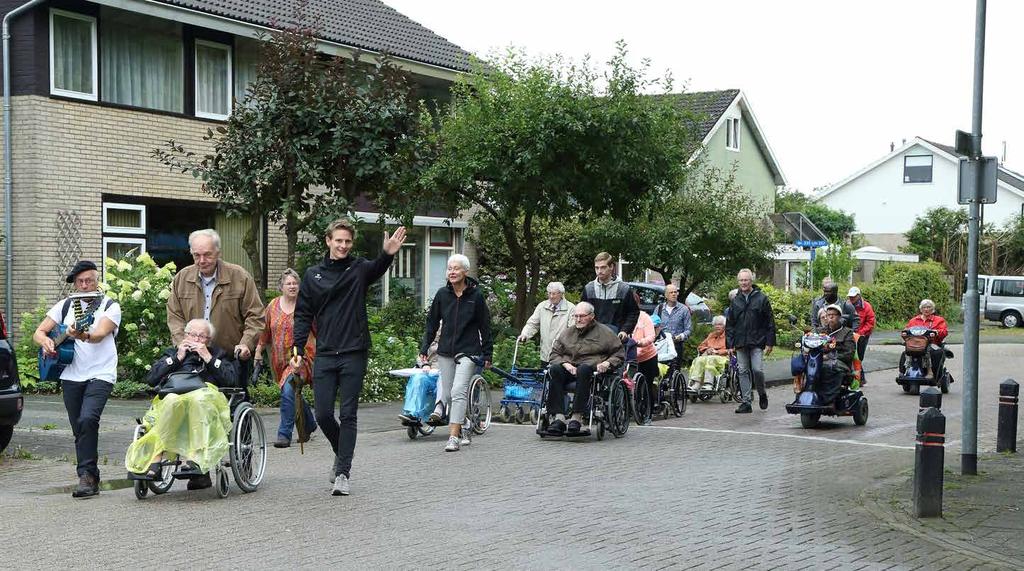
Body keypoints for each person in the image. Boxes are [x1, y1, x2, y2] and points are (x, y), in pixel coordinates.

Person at [290, 219, 407, 496]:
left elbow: (377, 267)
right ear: (328, 241)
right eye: (338, 240)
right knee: (322, 414)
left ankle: (343, 472)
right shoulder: (313, 276)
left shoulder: (358, 270)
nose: (343, 246)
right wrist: (296, 351)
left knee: (348, 413)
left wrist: (388, 254)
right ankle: (341, 451)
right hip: (326, 353)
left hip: (354, 352)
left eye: (348, 241)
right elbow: (303, 314)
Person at [33, 261, 121, 498]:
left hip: (100, 372)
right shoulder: (64, 305)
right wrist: (47, 342)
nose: (84, 285)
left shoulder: (109, 306)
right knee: (78, 427)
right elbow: (39, 332)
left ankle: (86, 476)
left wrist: (80, 334)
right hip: (70, 373)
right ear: (75, 283)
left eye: (89, 280)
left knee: (88, 419)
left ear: (96, 280)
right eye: (80, 281)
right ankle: (90, 475)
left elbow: (100, 334)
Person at [124, 319, 237, 490]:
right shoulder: (172, 353)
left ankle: (194, 458)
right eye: (193, 335)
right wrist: (177, 358)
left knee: (197, 400)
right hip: (174, 397)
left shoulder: (217, 354)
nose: (196, 340)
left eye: (202, 337)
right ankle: (155, 458)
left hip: (205, 398)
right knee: (171, 401)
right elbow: (151, 378)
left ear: (209, 340)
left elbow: (230, 379)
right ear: (185, 336)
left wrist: (207, 357)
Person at [166, 229, 265, 379]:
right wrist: (182, 343)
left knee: (233, 401)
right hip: (192, 359)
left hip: (230, 360)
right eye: (196, 255)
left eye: (207, 255)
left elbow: (256, 316)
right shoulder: (182, 278)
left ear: (218, 253)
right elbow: (174, 316)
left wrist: (246, 344)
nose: (202, 260)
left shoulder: (240, 277)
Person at [421, 254, 493, 453]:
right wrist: (424, 348)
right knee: (448, 394)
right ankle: (466, 422)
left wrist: (487, 353)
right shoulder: (442, 295)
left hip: (468, 351)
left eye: (456, 268)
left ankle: (453, 437)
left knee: (458, 390)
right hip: (445, 351)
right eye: (449, 268)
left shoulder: (476, 296)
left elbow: (485, 326)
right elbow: (431, 323)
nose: (451, 272)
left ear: (465, 272)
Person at [255, 269, 317, 449]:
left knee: (289, 388)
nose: (292, 286)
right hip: (279, 360)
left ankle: (284, 434)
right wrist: (258, 350)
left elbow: (319, 329)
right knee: (292, 390)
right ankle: (310, 423)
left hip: (302, 357)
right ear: (281, 286)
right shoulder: (272, 306)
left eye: (295, 283)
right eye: (288, 283)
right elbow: (265, 331)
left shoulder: (305, 306)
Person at [546, 302, 625, 436]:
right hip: (570, 367)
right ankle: (558, 418)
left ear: (592, 316)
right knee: (555, 369)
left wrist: (607, 363)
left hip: (592, 371)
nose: (578, 319)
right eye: (575, 316)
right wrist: (565, 364)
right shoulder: (568, 333)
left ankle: (577, 417)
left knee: (584, 369)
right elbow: (554, 354)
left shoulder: (605, 332)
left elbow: (619, 353)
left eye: (582, 316)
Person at [725, 269, 776, 414]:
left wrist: (770, 342)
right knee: (742, 371)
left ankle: (761, 393)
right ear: (738, 282)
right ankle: (746, 402)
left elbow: (770, 322)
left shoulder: (762, 298)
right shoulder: (735, 300)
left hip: (757, 341)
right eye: (741, 280)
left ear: (751, 281)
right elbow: (730, 324)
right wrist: (729, 344)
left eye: (746, 280)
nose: (743, 283)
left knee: (757, 370)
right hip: (741, 342)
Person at [582, 252, 639, 340]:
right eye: (597, 268)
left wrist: (625, 330)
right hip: (593, 339)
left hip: (617, 338)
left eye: (603, 267)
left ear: (611, 267)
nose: (599, 271)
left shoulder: (623, 289)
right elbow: (582, 313)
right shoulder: (589, 289)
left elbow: (633, 312)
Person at [518, 281, 575, 367]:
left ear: (561, 294)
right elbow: (533, 324)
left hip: (562, 356)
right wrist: (525, 334)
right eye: (549, 293)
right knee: (544, 377)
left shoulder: (571, 308)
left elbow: (572, 331)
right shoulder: (542, 306)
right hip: (545, 354)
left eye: (554, 294)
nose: (551, 296)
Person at [814, 305, 856, 405]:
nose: (830, 317)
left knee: (829, 366)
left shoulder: (847, 332)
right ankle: (804, 392)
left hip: (840, 363)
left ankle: (828, 399)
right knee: (802, 364)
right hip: (820, 360)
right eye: (828, 315)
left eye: (833, 315)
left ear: (839, 317)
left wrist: (830, 357)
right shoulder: (820, 331)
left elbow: (849, 353)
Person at [399, 330, 440, 424]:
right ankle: (411, 413)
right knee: (417, 378)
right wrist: (425, 364)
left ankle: (438, 412)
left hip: (446, 373)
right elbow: (421, 356)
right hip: (429, 372)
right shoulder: (429, 342)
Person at [905, 299, 949, 379]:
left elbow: (944, 332)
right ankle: (906, 370)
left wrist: (936, 332)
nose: (926, 309)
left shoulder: (939, 320)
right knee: (907, 351)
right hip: (915, 343)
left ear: (932, 309)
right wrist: (905, 334)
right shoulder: (914, 320)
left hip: (933, 343)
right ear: (921, 309)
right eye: (924, 307)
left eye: (929, 307)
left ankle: (930, 371)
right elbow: (907, 330)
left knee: (928, 350)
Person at [631, 309, 660, 424]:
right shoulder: (621, 314)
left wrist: (639, 343)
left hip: (647, 356)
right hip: (628, 357)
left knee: (647, 385)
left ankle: (648, 413)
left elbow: (650, 336)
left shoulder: (644, 317)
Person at [653, 283, 693, 363]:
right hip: (661, 344)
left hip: (676, 344)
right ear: (666, 295)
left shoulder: (684, 309)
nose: (674, 294)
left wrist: (680, 336)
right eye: (671, 292)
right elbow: (653, 325)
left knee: (675, 369)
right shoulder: (659, 308)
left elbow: (688, 329)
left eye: (675, 292)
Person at [689, 315, 729, 391]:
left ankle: (708, 384)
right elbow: (700, 346)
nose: (717, 326)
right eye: (716, 324)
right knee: (698, 360)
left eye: (720, 324)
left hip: (723, 358)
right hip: (709, 356)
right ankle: (696, 383)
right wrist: (707, 349)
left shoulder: (728, 335)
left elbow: (731, 349)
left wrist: (717, 352)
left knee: (710, 359)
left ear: (724, 326)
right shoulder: (711, 335)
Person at [847, 286, 875, 385]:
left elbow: (870, 323)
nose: (851, 298)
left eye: (853, 297)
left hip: (862, 336)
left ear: (859, 296)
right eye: (850, 297)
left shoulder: (867, 307)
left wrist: (860, 332)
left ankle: (860, 378)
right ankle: (859, 379)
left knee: (859, 356)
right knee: (852, 355)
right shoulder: (847, 305)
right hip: (850, 335)